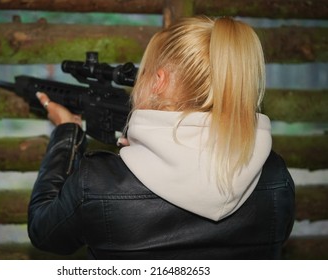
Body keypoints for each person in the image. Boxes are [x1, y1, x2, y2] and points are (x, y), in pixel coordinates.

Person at [28, 16, 295, 259]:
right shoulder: (276, 177)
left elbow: (44, 232)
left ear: (159, 81)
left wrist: (66, 131)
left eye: (141, 73)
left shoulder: (95, 183)